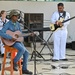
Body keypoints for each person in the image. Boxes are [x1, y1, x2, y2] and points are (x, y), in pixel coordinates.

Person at [0, 10, 33, 74]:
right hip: (11, 42)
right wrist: (10, 37)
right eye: (16, 16)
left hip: (17, 41)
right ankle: (14, 62)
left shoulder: (18, 24)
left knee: (26, 53)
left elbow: (20, 34)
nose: (17, 17)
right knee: (22, 49)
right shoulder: (8, 24)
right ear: (12, 16)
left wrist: (29, 34)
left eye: (18, 16)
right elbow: (1, 33)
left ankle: (24, 69)